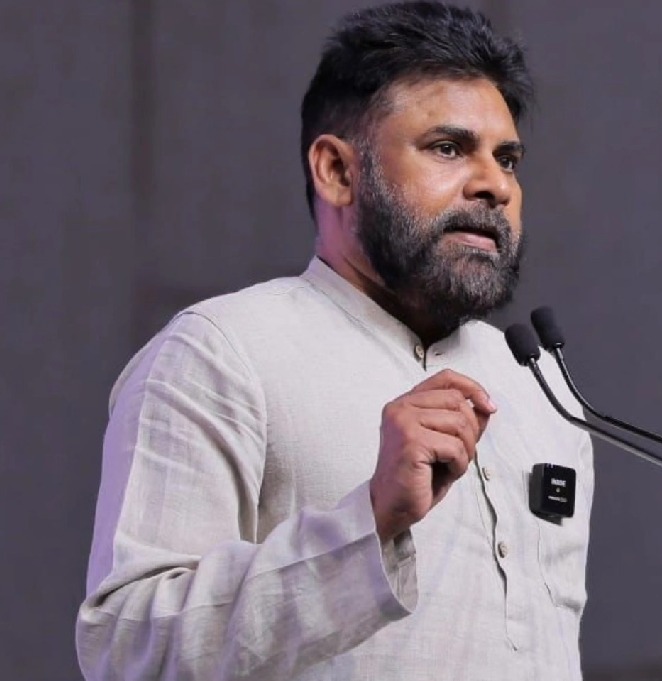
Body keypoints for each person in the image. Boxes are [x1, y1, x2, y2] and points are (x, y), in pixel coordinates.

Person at [75, 2, 594, 679]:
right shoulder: (222, 354)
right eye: (447, 147)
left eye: (508, 158)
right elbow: (127, 651)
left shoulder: (540, 387)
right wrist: (368, 522)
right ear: (337, 171)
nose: (494, 184)